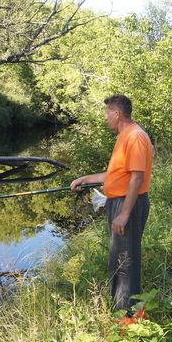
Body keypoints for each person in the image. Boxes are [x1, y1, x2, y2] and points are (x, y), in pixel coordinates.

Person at [71, 94, 153, 311]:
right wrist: (85, 179)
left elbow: (137, 177)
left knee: (124, 260)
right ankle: (123, 310)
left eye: (107, 113)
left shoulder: (134, 136)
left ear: (117, 114)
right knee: (120, 257)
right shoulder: (124, 135)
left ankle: (127, 315)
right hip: (121, 202)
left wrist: (125, 213)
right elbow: (117, 174)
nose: (105, 118)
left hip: (128, 204)